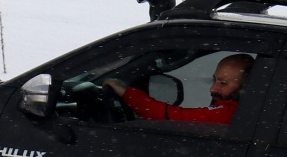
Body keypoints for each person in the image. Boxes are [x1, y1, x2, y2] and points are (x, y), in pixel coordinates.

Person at [108, 53, 252, 124]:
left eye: (223, 83)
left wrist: (126, 92)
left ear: (246, 87)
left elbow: (170, 116)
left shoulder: (231, 113)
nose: (212, 89)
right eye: (214, 80)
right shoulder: (248, 110)